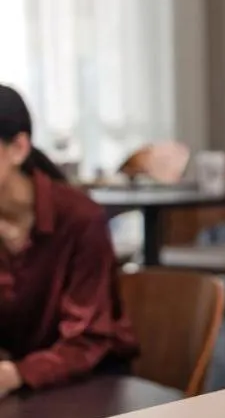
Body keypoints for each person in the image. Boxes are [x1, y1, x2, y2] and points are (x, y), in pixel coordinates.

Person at [0, 85, 138, 393]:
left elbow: (88, 339)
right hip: (22, 389)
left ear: (18, 148)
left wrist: (17, 374)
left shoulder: (79, 218)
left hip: (91, 384)